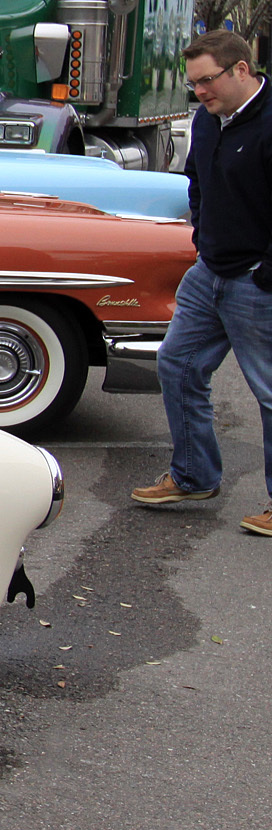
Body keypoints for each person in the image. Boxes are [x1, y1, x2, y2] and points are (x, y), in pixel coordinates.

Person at [132, 30, 272, 535]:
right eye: (194, 85)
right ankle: (194, 475)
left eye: (207, 81)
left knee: (269, 391)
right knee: (178, 364)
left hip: (256, 280)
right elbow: (196, 179)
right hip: (208, 271)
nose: (199, 93)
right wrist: (202, 234)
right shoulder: (208, 122)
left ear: (241, 70)